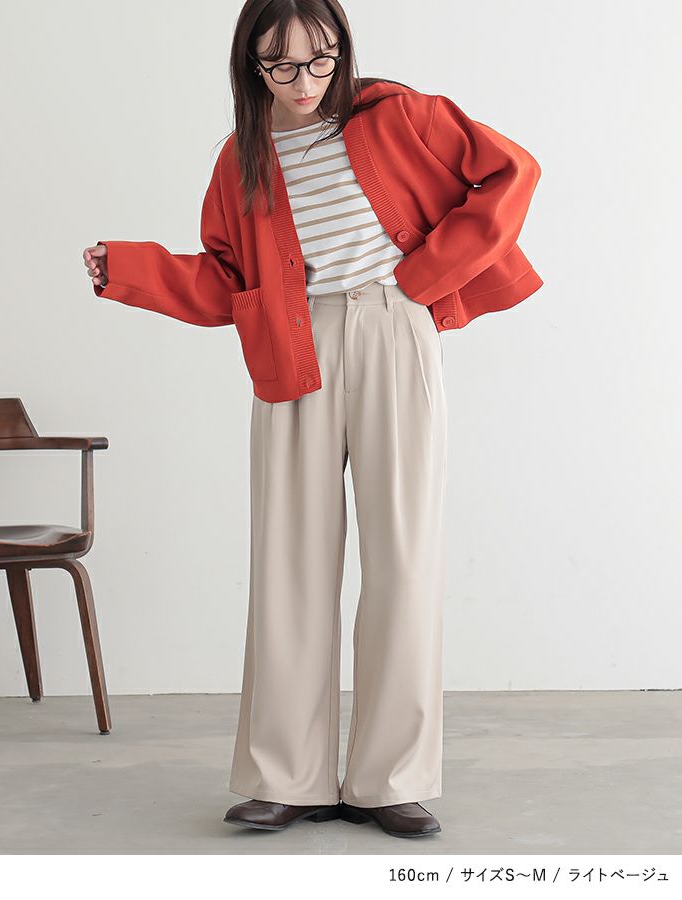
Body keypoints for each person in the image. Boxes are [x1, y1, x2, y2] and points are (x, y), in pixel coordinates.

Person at [83, 0, 542, 839]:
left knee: (404, 555)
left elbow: (512, 173)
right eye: (283, 65)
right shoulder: (242, 160)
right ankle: (286, 777)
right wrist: (130, 270)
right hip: (294, 345)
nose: (305, 81)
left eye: (321, 59)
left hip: (395, 326)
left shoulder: (401, 115)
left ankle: (389, 779)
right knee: (289, 559)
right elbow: (225, 280)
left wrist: (425, 276)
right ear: (252, 64)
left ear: (342, 50)